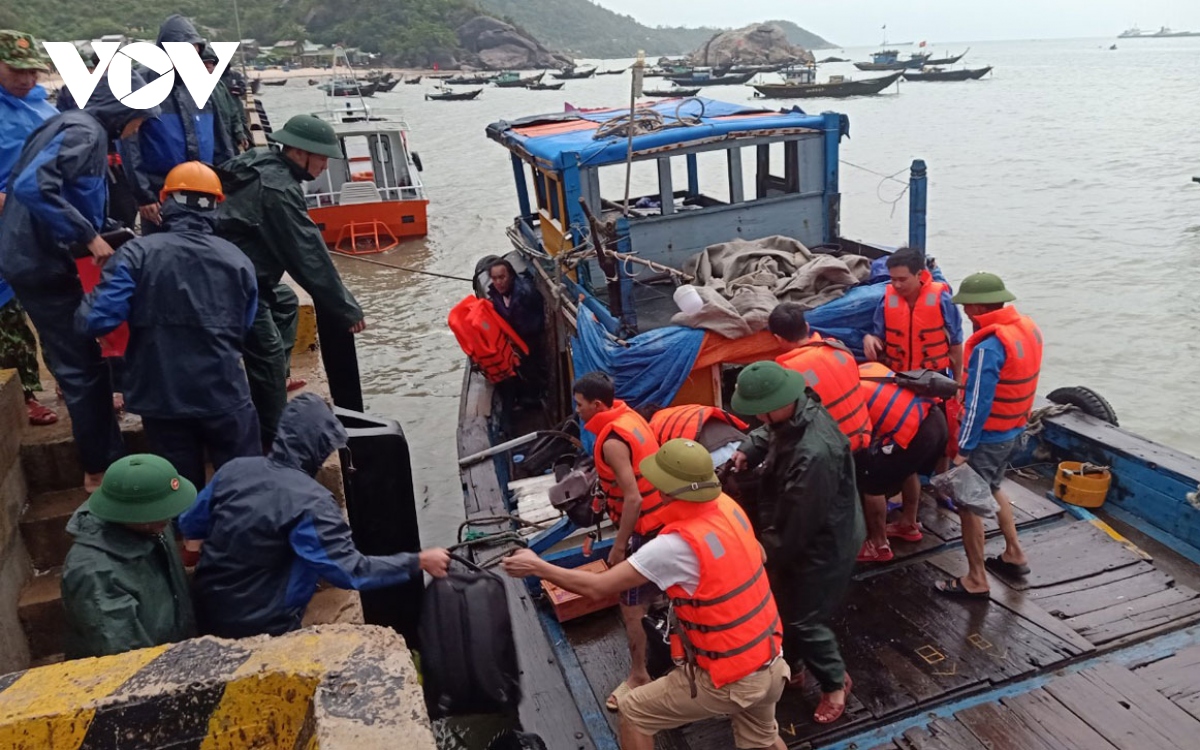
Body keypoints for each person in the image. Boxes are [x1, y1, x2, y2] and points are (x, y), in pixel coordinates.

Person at [502, 439, 788, 750]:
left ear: (666, 490)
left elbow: (597, 587)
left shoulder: (674, 547)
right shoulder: (729, 509)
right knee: (763, 739)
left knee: (635, 711)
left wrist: (538, 567)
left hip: (732, 679)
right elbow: (757, 555)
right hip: (769, 661)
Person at [178, 394, 450, 638]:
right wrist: (418, 561)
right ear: (320, 447)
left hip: (206, 607)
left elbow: (190, 523)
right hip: (262, 624)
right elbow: (350, 571)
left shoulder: (234, 470)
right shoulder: (312, 503)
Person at [0, 72, 153, 491]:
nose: (139, 129)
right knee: (82, 365)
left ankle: (108, 450)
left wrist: (108, 230)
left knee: (89, 357)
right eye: (139, 119)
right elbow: (34, 187)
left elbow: (73, 194)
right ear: (123, 113)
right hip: (42, 265)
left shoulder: (68, 123)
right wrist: (87, 236)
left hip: (35, 255)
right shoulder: (86, 134)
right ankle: (100, 469)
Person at [77, 162, 261, 491]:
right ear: (217, 205)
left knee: (178, 492)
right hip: (224, 391)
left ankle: (189, 541)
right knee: (243, 487)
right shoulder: (237, 260)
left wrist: (103, 278)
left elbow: (95, 320)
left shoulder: (136, 254)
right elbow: (244, 326)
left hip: (161, 395)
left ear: (166, 203)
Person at [216, 114, 366, 443]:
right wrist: (346, 309)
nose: (325, 167)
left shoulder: (261, 159)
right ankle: (273, 439)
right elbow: (308, 255)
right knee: (267, 351)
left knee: (285, 302)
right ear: (300, 153)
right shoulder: (280, 189)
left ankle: (276, 382)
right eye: (322, 158)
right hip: (231, 283)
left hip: (233, 267)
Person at [730, 361, 863, 724]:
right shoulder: (796, 410)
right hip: (803, 527)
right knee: (784, 603)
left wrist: (762, 551)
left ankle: (836, 682)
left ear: (780, 402)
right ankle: (794, 666)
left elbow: (798, 523)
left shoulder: (815, 453)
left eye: (761, 410)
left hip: (825, 540)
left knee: (805, 618)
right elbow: (771, 433)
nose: (758, 415)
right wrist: (749, 447)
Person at [936, 273, 1043, 599]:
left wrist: (963, 451)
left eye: (968, 307)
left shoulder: (987, 347)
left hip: (986, 440)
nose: (966, 313)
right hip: (1014, 430)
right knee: (993, 487)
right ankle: (1014, 553)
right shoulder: (1028, 328)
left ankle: (976, 579)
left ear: (978, 307)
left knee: (968, 504)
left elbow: (979, 404)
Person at [574, 372, 675, 710]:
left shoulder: (613, 441)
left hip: (644, 531)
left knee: (630, 604)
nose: (579, 411)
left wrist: (618, 547)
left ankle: (639, 674)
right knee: (665, 593)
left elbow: (633, 499)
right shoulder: (629, 416)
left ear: (597, 404)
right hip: (664, 520)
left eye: (580, 405)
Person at [60, 454, 197, 659]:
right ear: (130, 512)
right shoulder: (94, 573)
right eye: (159, 513)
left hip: (174, 646)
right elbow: (124, 655)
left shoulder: (152, 525)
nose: (168, 519)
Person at [0, 29, 59, 425]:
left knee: (63, 312)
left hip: (47, 228)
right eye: (16, 70)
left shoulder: (46, 110)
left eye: (33, 71)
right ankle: (25, 395)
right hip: (5, 229)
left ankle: (82, 386)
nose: (27, 79)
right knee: (7, 317)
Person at [121, 14, 215, 234]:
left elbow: (219, 139)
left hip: (204, 190)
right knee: (163, 258)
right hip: (160, 193)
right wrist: (143, 196)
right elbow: (128, 144)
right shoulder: (140, 83)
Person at [853, 361, 949, 562]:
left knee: (872, 483)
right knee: (908, 467)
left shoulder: (851, 393)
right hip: (936, 420)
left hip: (917, 433)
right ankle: (908, 524)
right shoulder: (870, 368)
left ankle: (878, 545)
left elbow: (858, 437)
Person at [769, 302, 873, 453]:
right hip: (867, 438)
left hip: (839, 453)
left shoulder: (789, 374)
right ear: (807, 327)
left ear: (778, 338)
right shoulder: (837, 347)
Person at [862, 247, 964, 381]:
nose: (897, 285)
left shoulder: (942, 300)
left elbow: (956, 343)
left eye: (902, 279)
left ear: (919, 275)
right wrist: (870, 339)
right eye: (893, 279)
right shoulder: (886, 300)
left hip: (934, 377)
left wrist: (957, 381)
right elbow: (879, 336)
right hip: (898, 376)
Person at [201, 45, 246, 165]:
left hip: (227, 140)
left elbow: (233, 111)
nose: (208, 66)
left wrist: (239, 133)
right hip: (208, 145)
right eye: (204, 63)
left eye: (211, 63)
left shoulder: (220, 86)